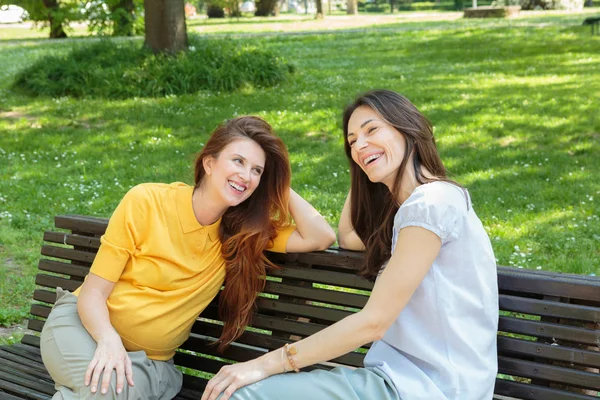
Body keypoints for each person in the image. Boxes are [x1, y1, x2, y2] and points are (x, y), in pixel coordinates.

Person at [202, 90, 499, 400]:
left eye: (371, 130)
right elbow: (348, 238)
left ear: (407, 127)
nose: (359, 145)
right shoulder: (414, 209)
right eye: (352, 141)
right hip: (398, 383)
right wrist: (365, 163)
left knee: (241, 396)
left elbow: (373, 323)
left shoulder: (432, 203)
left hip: (430, 389)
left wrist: (266, 364)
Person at [40, 115, 337, 399]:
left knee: (105, 391)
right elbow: (92, 294)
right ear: (209, 162)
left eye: (257, 170)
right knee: (102, 391)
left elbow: (320, 235)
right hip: (82, 328)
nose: (246, 176)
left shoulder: (242, 234)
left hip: (151, 363)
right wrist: (109, 341)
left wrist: (277, 184)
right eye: (238, 161)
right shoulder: (147, 201)